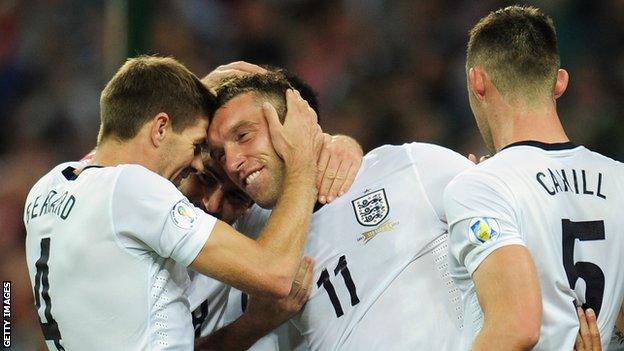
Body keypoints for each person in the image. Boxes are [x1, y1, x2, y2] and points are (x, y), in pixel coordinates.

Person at [23, 55, 324, 350]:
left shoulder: (48, 188)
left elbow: (109, 153)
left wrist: (187, 98)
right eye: (195, 145)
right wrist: (302, 156)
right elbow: (275, 273)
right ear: (161, 127)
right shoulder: (134, 189)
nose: (195, 162)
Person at [194, 71, 473, 350]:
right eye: (220, 154)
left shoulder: (409, 167)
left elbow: (508, 224)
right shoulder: (253, 241)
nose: (231, 163)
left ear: (294, 123)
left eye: (243, 136)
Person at [443, 5, 624, 350]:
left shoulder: (481, 187)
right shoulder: (619, 180)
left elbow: (517, 328)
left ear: (477, 82)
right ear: (559, 82)